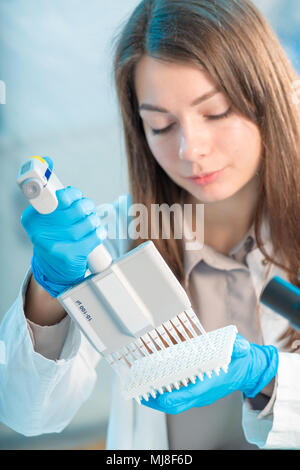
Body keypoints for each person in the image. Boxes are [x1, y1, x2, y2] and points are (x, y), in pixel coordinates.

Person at [1, 0, 300, 450]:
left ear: (267, 95)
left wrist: (269, 375)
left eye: (215, 112)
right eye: (160, 125)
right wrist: (49, 291)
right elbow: (28, 412)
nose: (189, 149)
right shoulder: (118, 234)